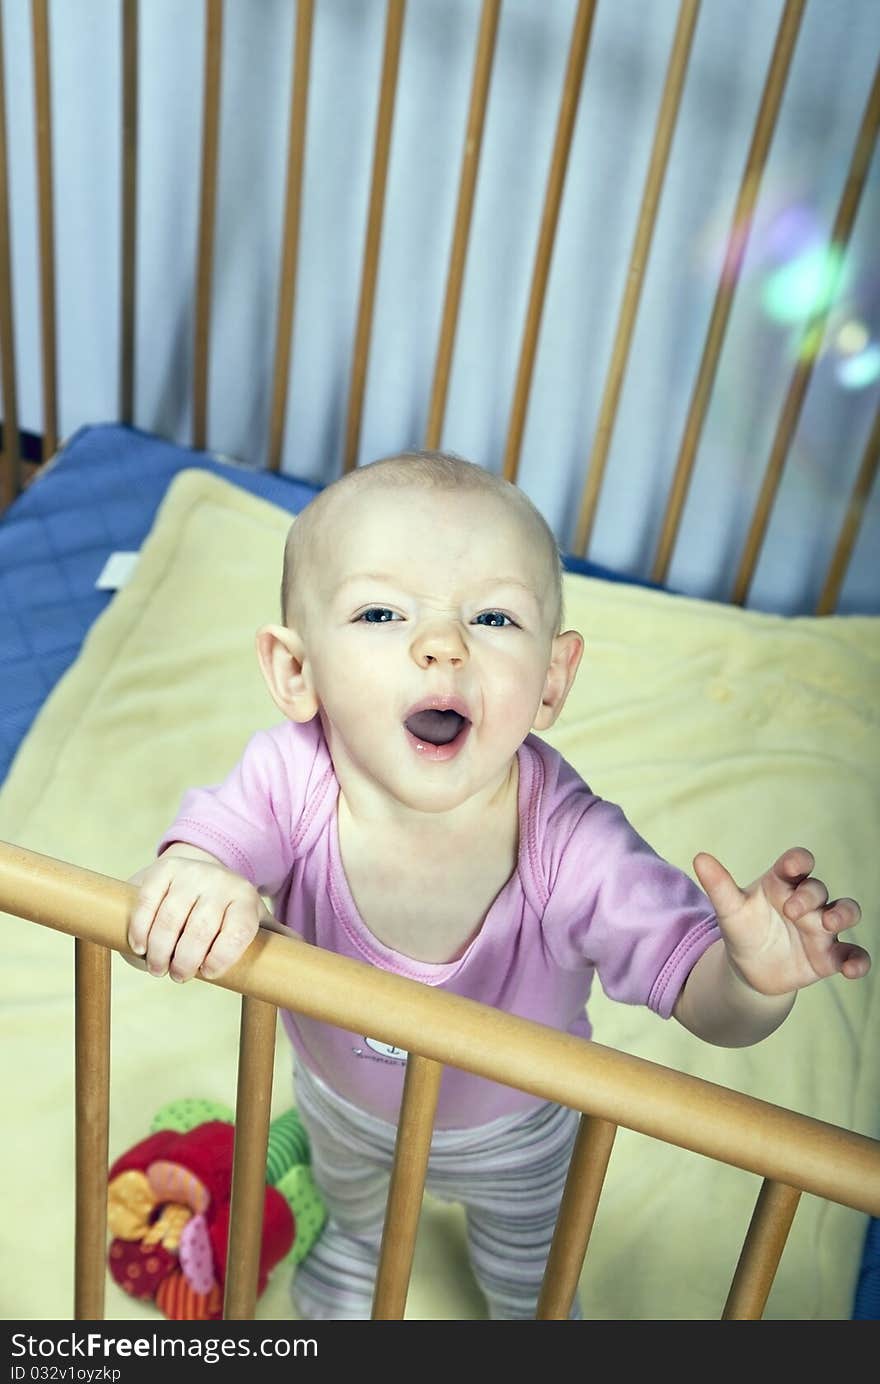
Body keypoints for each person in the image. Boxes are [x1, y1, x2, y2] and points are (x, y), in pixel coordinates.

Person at [126, 450, 869, 1320]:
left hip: (515, 1135)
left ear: (552, 680)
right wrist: (196, 874)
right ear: (297, 672)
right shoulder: (292, 778)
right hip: (338, 1099)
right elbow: (212, 842)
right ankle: (358, 1248)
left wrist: (751, 977)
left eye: (492, 617)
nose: (441, 644)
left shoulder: (571, 841)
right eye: (378, 611)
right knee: (357, 1208)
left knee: (533, 1279)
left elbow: (706, 999)